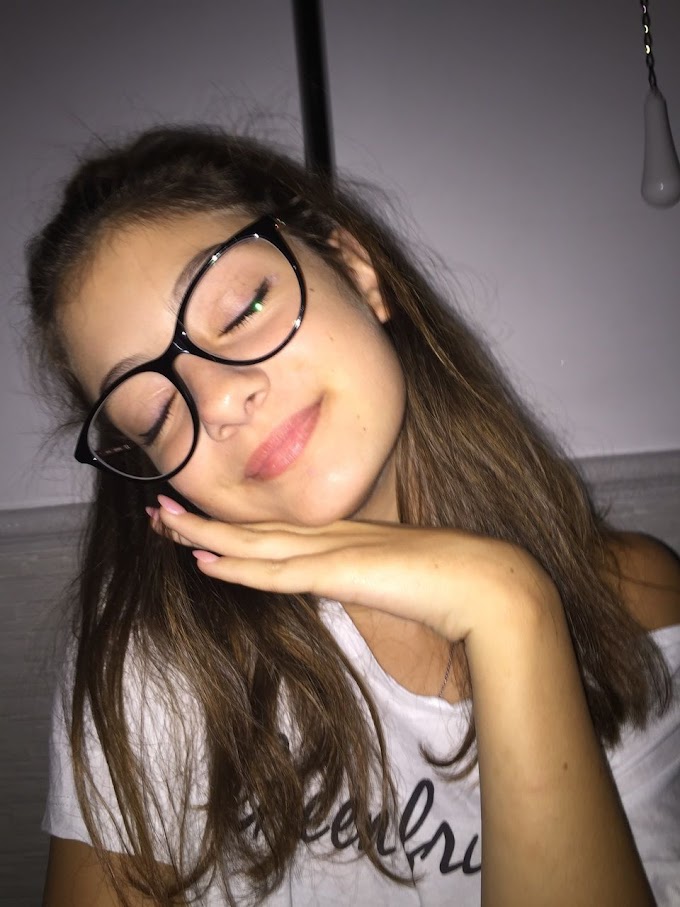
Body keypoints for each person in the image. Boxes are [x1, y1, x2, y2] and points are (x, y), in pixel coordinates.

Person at [27, 126, 679, 907]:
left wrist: (511, 608)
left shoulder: (637, 601)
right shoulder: (158, 655)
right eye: (156, 412)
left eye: (241, 309)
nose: (222, 400)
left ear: (356, 268)